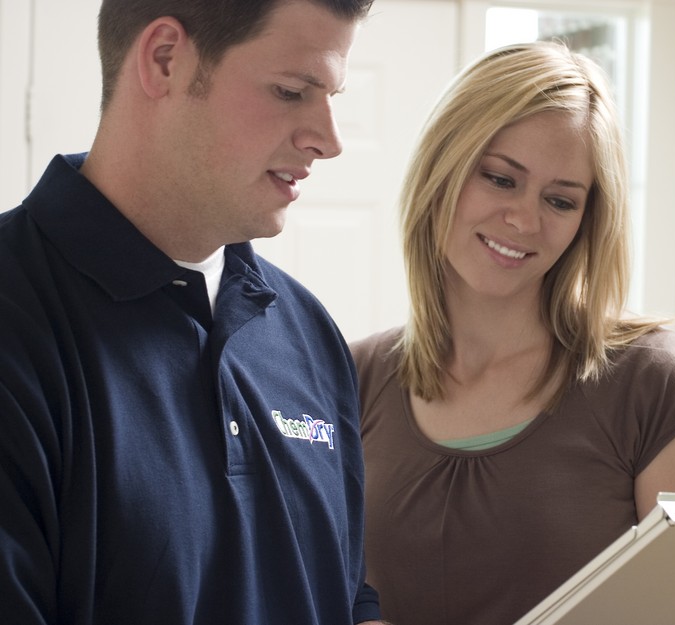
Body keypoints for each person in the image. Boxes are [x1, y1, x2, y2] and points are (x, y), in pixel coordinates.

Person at [0, 1, 388, 623]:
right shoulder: (19, 316)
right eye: (292, 91)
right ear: (164, 60)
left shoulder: (310, 334)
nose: (330, 140)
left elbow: (339, 594)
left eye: (331, 96)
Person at [351, 41, 675, 625]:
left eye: (559, 200)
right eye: (501, 179)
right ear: (442, 167)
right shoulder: (352, 377)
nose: (526, 221)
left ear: (587, 220)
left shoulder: (650, 379)